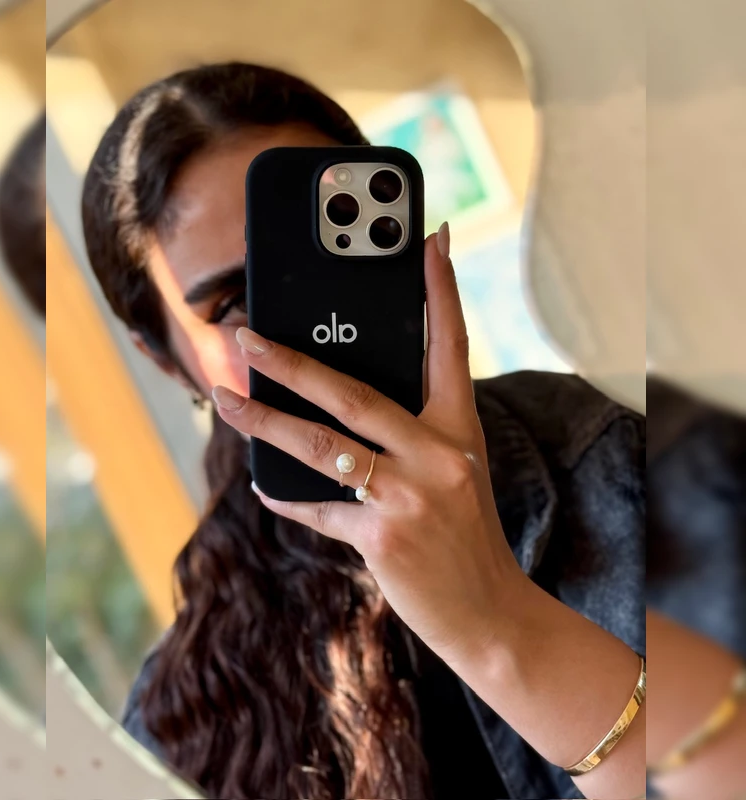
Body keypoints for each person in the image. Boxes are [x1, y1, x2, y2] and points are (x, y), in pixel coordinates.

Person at [81, 62, 645, 800]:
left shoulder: (610, 462)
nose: (312, 328)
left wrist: (498, 624)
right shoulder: (178, 723)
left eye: (326, 266)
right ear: (166, 360)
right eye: (233, 305)